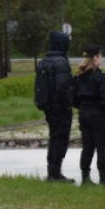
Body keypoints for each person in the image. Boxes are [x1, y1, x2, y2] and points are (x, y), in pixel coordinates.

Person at [72, 45, 105, 187]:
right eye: (100, 56)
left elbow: (73, 98)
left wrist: (83, 107)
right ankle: (103, 179)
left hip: (84, 113)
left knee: (87, 147)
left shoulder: (79, 76)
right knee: (101, 148)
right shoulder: (100, 76)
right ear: (95, 57)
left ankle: (85, 178)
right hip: (99, 114)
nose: (101, 58)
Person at [41, 31, 75, 183]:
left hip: (48, 106)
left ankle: (52, 171)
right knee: (61, 138)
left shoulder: (44, 61)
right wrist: (69, 105)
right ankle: (56, 172)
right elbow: (63, 88)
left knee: (54, 137)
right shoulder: (61, 62)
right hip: (60, 108)